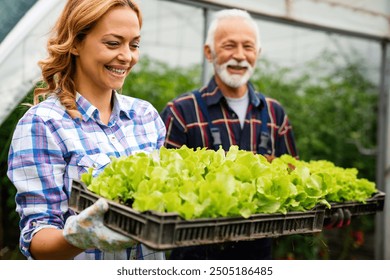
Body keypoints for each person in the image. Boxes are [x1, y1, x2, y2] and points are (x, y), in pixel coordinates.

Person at [7, 0, 166, 260]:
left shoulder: (145, 116)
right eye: (113, 43)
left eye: (134, 44)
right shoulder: (43, 124)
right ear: (76, 43)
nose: (127, 56)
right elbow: (37, 239)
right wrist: (82, 236)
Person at [160, 9, 298, 260]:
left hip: (258, 253)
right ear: (209, 52)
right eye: (229, 45)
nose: (239, 56)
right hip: (195, 253)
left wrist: (326, 209)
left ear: (257, 53)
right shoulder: (181, 111)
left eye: (248, 46)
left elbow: (292, 179)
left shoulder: (275, 113)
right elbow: (161, 184)